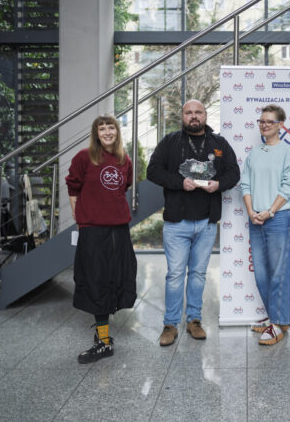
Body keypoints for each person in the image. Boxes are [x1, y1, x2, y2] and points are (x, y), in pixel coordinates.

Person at [147, 99, 240, 346]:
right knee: (175, 275)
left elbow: (234, 173)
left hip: (207, 222)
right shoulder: (170, 142)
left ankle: (194, 320)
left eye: (198, 112)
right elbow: (152, 171)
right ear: (183, 116)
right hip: (177, 223)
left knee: (198, 274)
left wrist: (218, 185)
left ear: (205, 115)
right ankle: (170, 324)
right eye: (189, 112)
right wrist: (180, 182)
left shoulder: (219, 144)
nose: (194, 116)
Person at [66, 114, 137, 364]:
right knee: (96, 282)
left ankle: (104, 338)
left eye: (111, 128)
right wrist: (78, 216)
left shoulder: (124, 159)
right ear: (96, 134)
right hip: (93, 230)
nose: (107, 132)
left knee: (115, 280)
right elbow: (73, 188)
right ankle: (104, 341)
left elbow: (123, 188)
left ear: (117, 132)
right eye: (102, 129)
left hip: (119, 230)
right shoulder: (84, 157)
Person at [241, 104, 290, 345]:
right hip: (256, 218)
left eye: (270, 121)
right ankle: (276, 318)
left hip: (279, 218)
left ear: (280, 125)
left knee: (279, 272)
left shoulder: (289, 152)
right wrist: (251, 211)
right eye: (262, 121)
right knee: (261, 273)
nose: (264, 125)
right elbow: (245, 184)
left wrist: (270, 211)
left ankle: (277, 325)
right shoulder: (254, 153)